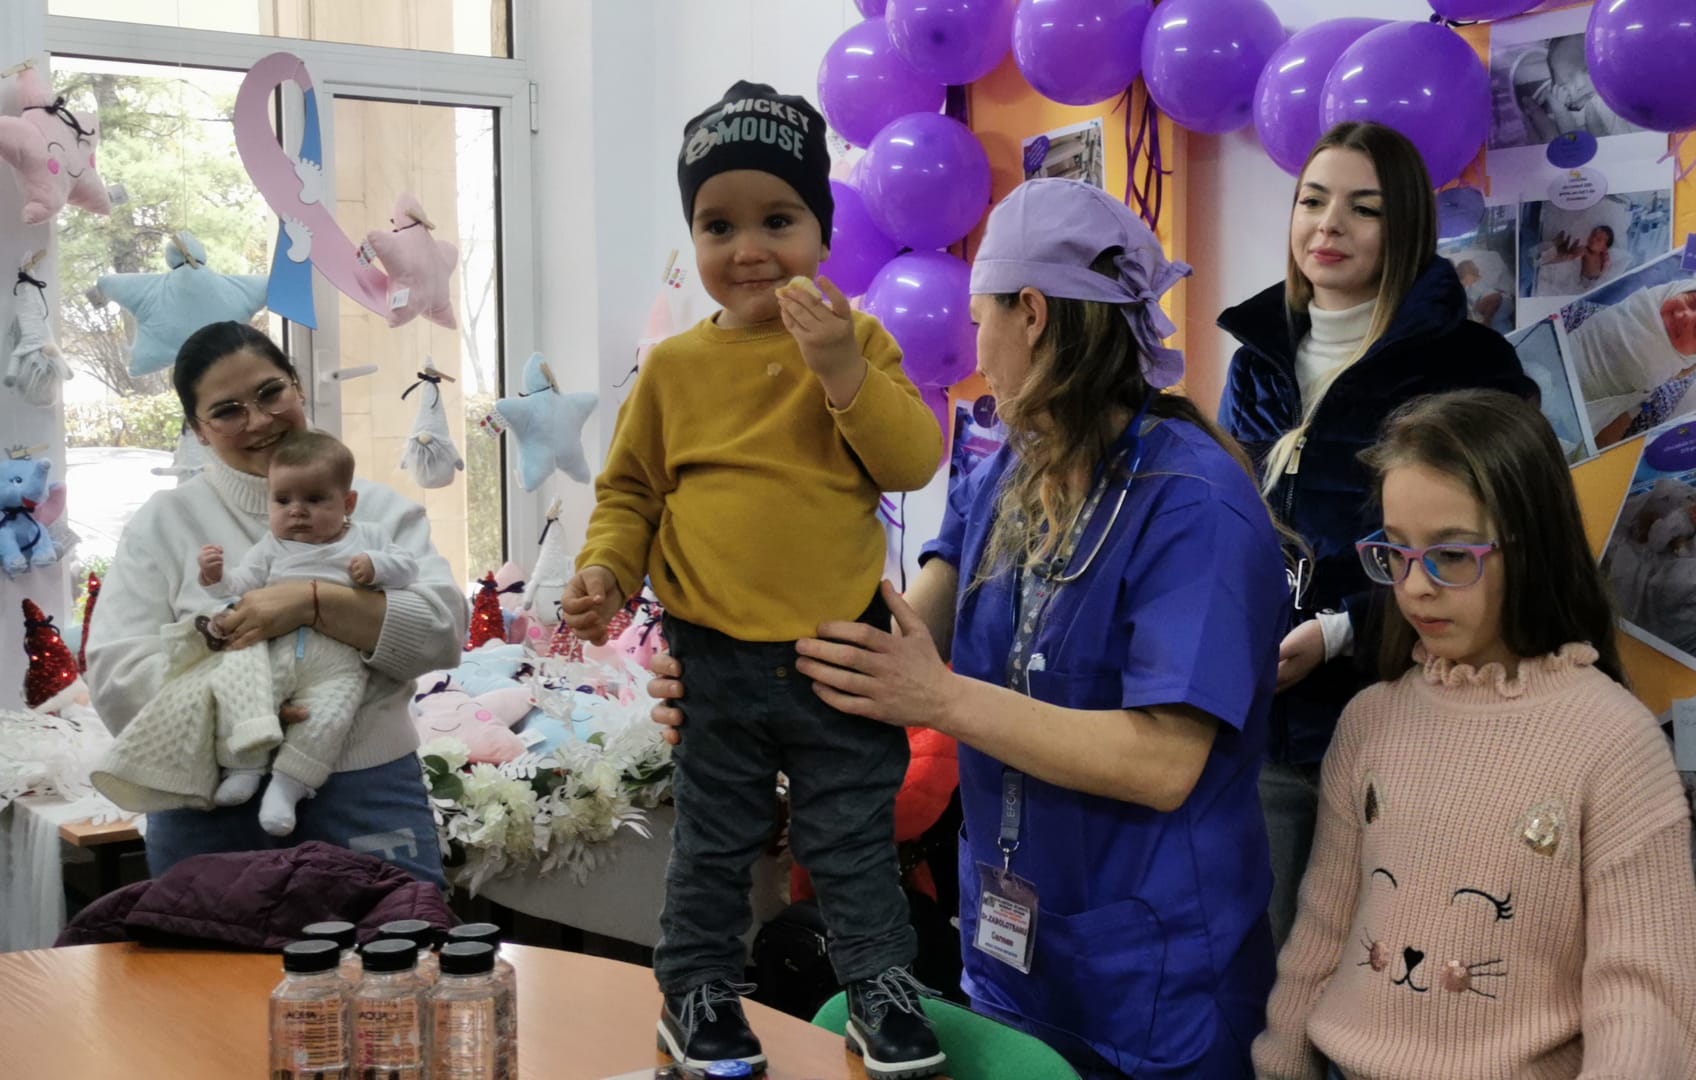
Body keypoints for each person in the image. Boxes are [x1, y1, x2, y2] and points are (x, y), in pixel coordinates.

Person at [651, 178, 1291, 1079]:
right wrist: (737, 675)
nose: (975, 349)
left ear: (1031, 313)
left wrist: (941, 699)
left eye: (980, 317)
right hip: (1010, 956)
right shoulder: (1014, 467)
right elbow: (908, 625)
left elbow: (1161, 763)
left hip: (1152, 983)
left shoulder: (1194, 506)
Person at [559, 81, 945, 1079]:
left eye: (778, 220)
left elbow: (912, 460)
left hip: (838, 653)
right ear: (693, 235)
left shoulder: (856, 341)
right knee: (714, 843)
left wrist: (840, 368)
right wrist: (605, 569)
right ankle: (696, 995)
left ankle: (881, 993)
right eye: (717, 224)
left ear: (823, 231)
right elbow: (630, 493)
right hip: (715, 658)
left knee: (852, 840)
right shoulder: (674, 370)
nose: (748, 248)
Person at [1254, 389, 1696, 1079]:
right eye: (1396, 552)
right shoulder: (1369, 721)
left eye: (1451, 554)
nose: (1415, 587)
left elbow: (1645, 1000)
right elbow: (1321, 934)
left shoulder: (1614, 742)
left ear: (1531, 551)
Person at [1216, 121, 1530, 953]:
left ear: (1407, 228)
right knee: (1271, 973)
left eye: (1364, 208)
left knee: (1398, 971)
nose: (1329, 225)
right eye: (1312, 201)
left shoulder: (1470, 365)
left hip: (1410, 717)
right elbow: (1226, 524)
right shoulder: (1254, 362)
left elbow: (1498, 554)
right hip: (1267, 724)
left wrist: (1342, 630)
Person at [87, 321, 464, 886]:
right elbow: (116, 674)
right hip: (206, 800)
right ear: (199, 430)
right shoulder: (165, 524)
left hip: (366, 789)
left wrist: (312, 603)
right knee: (209, 949)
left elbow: (443, 632)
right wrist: (239, 714)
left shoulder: (380, 511)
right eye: (227, 411)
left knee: (395, 943)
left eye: (270, 393)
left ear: (298, 387)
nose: (260, 420)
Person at [92, 431, 419, 838]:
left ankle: (287, 786)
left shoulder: (368, 538)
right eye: (283, 501)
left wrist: (377, 566)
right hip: (274, 649)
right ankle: (243, 767)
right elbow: (239, 584)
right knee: (245, 693)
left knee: (328, 718)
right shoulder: (271, 546)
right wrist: (214, 576)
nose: (297, 511)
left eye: (314, 500)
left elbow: (409, 569)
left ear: (348, 503)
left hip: (339, 660)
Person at [1565, 279, 1696, 446]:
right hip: (1583, 331)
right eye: (1690, 302)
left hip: (1653, 388)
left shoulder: (1677, 370)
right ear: (1674, 290)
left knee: (1679, 380)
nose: (1688, 317)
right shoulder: (1643, 303)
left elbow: (1607, 439)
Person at [1532, 223, 1614, 296]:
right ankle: (1550, 251)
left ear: (1604, 248)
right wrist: (1572, 252)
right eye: (1593, 235)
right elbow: (1575, 253)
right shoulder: (1585, 250)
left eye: (1599, 239)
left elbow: (1604, 271)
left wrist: (1604, 268)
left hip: (1596, 282)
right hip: (1584, 283)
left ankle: (1543, 253)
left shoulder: (1603, 257)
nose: (1593, 239)